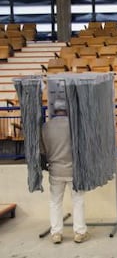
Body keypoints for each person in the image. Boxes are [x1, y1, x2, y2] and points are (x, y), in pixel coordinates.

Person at [41, 98, 89, 244]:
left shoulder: (45, 127)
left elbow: (43, 151)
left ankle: (56, 233)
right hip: (74, 170)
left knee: (55, 202)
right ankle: (79, 233)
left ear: (54, 110)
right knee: (78, 200)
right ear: (67, 110)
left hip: (55, 171)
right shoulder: (74, 127)